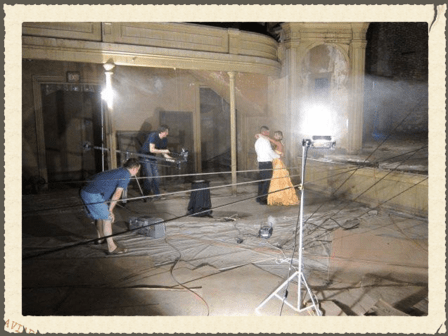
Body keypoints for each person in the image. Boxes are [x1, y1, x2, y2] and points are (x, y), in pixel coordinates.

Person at [80, 158, 141, 255]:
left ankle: (100, 239)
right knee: (107, 218)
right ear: (134, 168)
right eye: (138, 170)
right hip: (92, 194)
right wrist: (110, 210)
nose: (137, 172)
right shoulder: (126, 175)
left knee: (100, 216)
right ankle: (111, 248)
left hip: (88, 191)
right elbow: (117, 193)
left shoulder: (120, 170)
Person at [256, 131, 299, 206]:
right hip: (276, 162)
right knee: (274, 179)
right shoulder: (278, 143)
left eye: (277, 135)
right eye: (275, 134)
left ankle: (277, 196)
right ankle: (274, 196)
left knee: (276, 179)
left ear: (280, 137)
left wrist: (261, 136)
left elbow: (270, 140)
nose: (275, 136)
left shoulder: (278, 143)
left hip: (277, 163)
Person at [139, 125, 172, 199]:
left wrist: (170, 158)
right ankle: (145, 195)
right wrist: (164, 151)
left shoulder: (164, 139)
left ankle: (157, 195)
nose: (167, 133)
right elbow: (152, 149)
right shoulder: (153, 136)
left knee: (156, 177)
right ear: (162, 132)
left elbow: (164, 153)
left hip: (152, 157)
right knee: (150, 177)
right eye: (166, 132)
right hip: (145, 156)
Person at [254, 126, 280, 205]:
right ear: (264, 132)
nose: (269, 134)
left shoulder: (257, 141)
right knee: (266, 181)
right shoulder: (265, 141)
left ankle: (259, 197)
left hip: (261, 163)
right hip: (266, 163)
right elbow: (269, 151)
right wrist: (277, 156)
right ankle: (263, 199)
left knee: (261, 181)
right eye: (268, 132)